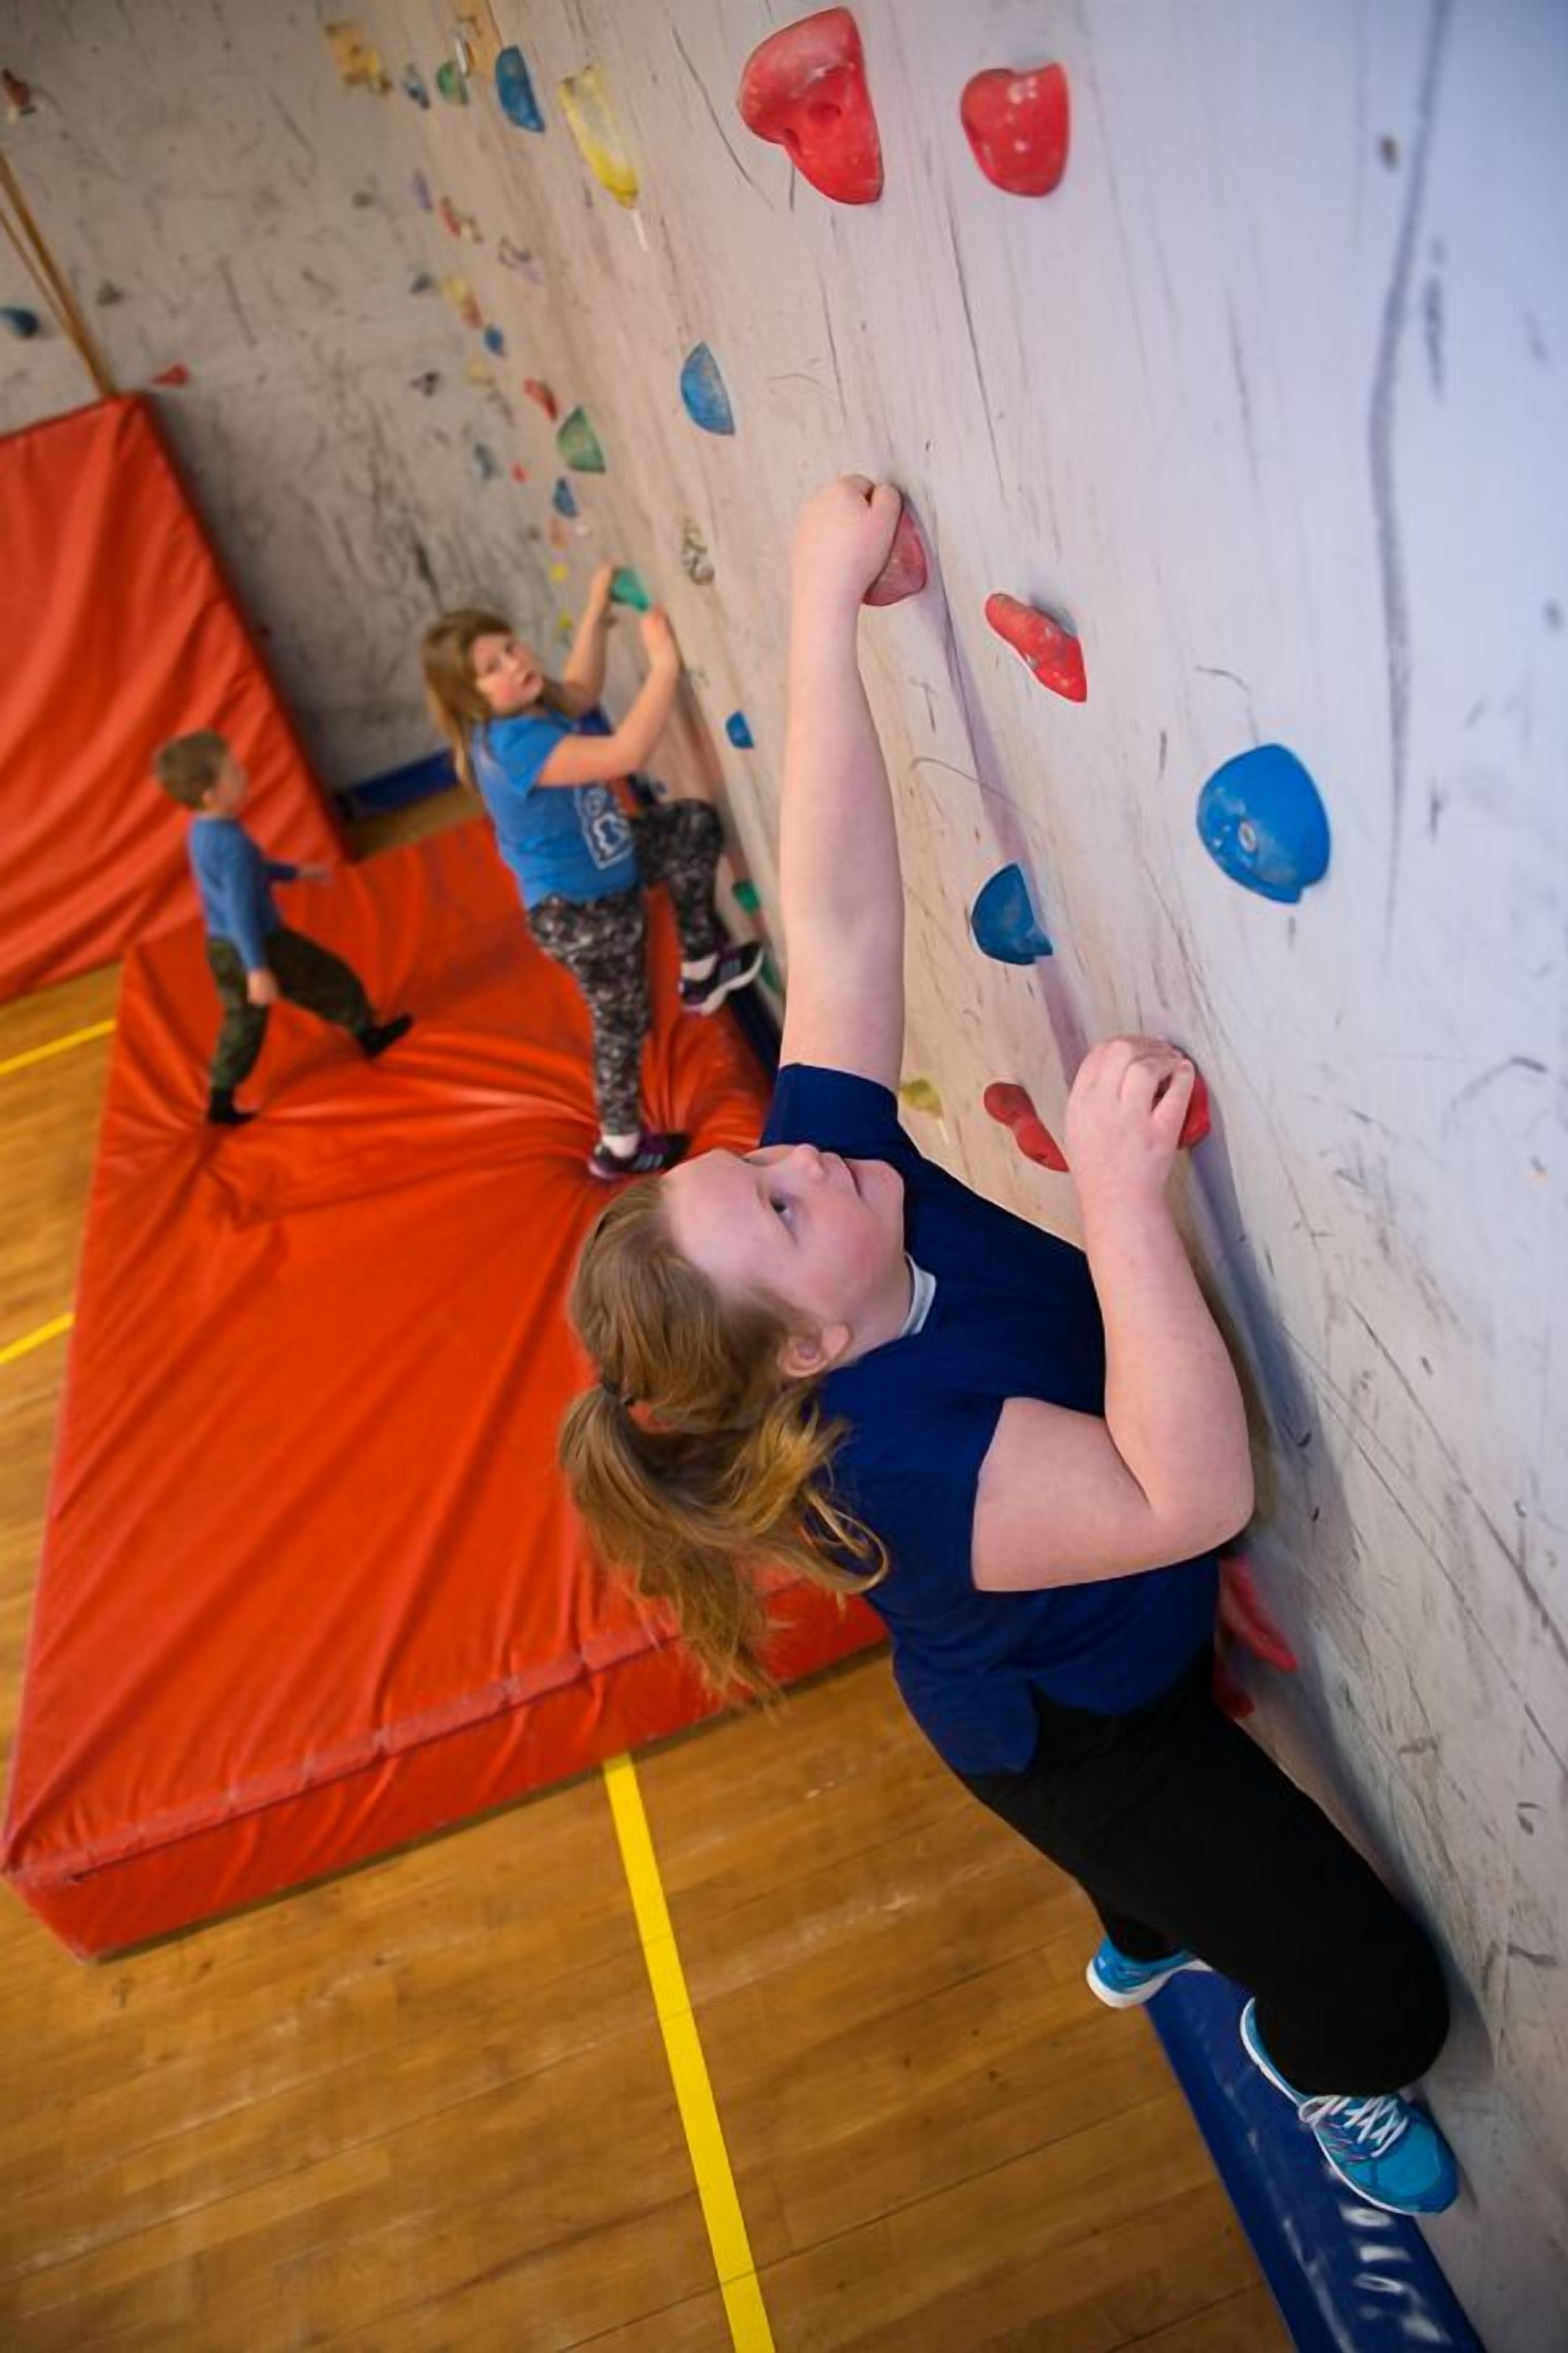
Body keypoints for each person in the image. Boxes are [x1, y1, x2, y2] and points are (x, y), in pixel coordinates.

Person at [558, 478, 1459, 2219]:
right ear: (810, 1347)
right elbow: (1183, 1496)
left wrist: (817, 612)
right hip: (1086, 1737)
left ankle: (1143, 1923)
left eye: (751, 1162)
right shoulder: (894, 1456)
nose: (800, 1157)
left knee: (1148, 1846)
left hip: (1075, 1631)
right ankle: (1296, 2054)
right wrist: (1117, 1197)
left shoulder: (838, 1206)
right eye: (780, 1204)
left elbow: (837, 924)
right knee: (1381, 2004)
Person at [422, 567, 761, 1180]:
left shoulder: (529, 706)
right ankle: (619, 1146)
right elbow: (625, 753)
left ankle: (701, 969)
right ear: (469, 698)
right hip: (580, 912)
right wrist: (663, 666)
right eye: (492, 667)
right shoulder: (509, 746)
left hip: (612, 857)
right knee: (622, 1020)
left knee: (690, 827)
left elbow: (578, 690)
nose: (515, 664)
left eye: (511, 647)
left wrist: (597, 609)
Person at [154, 731, 411, 1126]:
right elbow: (241, 907)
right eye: (233, 771)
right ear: (212, 796)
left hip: (220, 946)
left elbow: (243, 878)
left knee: (243, 1020)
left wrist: (294, 873)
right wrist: (257, 968)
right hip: (258, 943)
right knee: (329, 976)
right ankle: (368, 1033)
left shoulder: (201, 831)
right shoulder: (233, 844)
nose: (244, 773)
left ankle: (221, 1095)